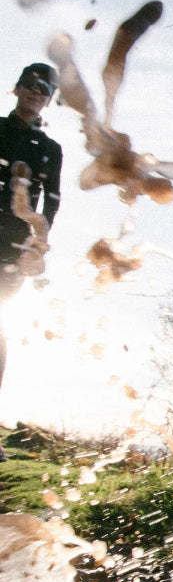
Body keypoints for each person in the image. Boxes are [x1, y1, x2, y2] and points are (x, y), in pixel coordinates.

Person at [0, 63, 62, 454]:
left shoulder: (51, 150)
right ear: (18, 89)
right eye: (31, 86)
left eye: (44, 90)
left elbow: (51, 201)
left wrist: (39, 246)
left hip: (13, 248)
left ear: (49, 99)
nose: (36, 94)